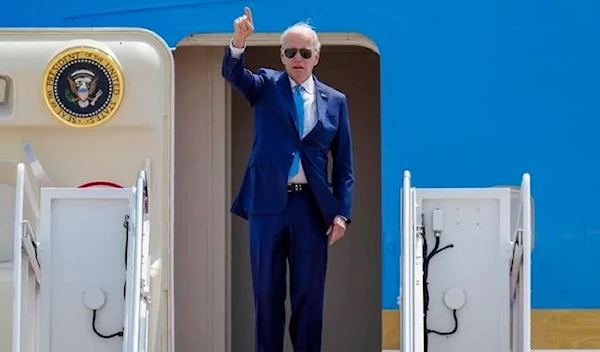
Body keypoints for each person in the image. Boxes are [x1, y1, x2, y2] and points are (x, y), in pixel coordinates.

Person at [222, 7, 355, 352]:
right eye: (291, 52)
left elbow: (344, 165)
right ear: (282, 56)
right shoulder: (266, 85)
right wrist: (239, 41)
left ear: (316, 57)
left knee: (309, 297)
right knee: (266, 294)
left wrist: (341, 213)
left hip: (311, 209)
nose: (298, 58)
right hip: (267, 204)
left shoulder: (336, 102)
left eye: (305, 52)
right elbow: (234, 73)